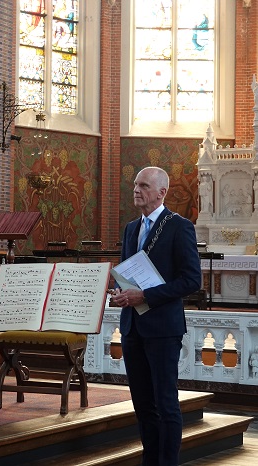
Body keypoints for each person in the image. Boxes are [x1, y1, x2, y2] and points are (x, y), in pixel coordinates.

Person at [110, 166, 202, 466]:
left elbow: (191, 281)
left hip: (163, 329)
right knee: (142, 405)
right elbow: (128, 275)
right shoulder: (130, 228)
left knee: (166, 404)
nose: (136, 190)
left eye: (144, 185)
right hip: (133, 327)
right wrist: (118, 292)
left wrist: (145, 296)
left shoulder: (179, 226)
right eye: (135, 184)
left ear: (161, 192)